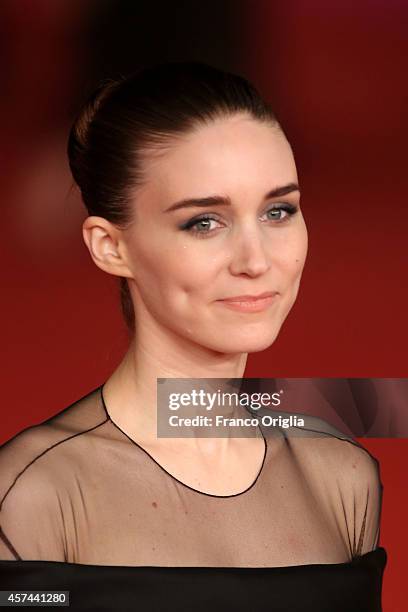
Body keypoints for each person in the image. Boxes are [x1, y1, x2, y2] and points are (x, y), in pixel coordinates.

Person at [0, 61, 386, 611]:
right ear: (111, 247)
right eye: (204, 222)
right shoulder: (37, 492)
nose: (256, 260)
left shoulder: (344, 479)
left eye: (279, 211)